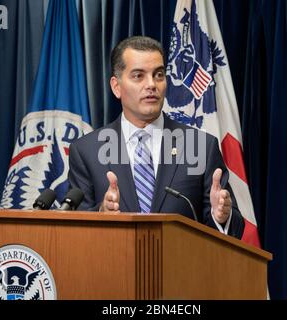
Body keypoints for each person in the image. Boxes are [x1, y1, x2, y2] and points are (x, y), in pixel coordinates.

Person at [68, 36, 244, 238]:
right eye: (138, 76)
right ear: (116, 87)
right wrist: (102, 215)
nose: (151, 84)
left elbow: (235, 230)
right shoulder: (86, 151)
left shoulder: (201, 146)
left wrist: (221, 216)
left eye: (158, 75)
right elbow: (75, 229)